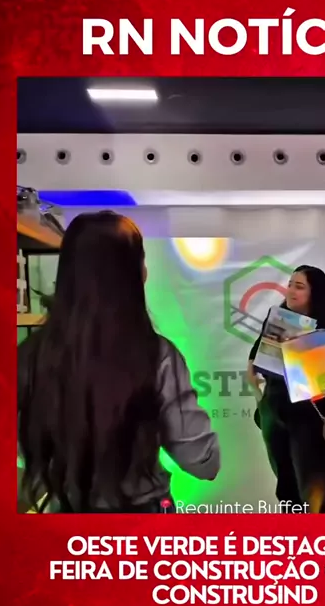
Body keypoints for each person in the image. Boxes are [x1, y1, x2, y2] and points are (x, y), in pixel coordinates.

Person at [17, 211, 220, 513]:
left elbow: (21, 447)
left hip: (61, 515)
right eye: (141, 261)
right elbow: (203, 461)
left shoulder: (29, 356)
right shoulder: (157, 355)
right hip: (142, 519)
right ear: (133, 275)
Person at [247, 265, 325, 514]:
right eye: (290, 285)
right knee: (286, 490)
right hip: (275, 415)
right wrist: (261, 401)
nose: (291, 291)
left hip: (312, 422)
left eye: (299, 286)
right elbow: (253, 364)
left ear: (315, 293)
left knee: (313, 494)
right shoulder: (275, 323)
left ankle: (314, 537)